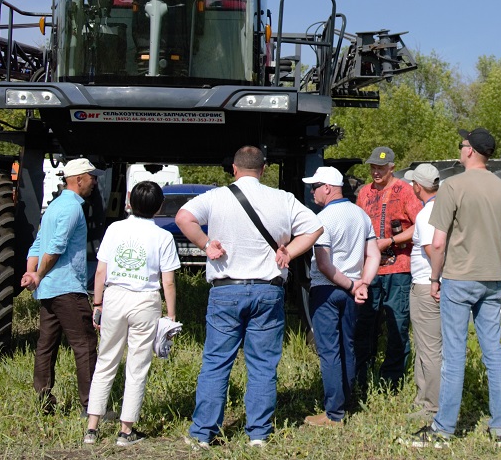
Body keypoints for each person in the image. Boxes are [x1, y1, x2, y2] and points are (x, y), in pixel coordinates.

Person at [175, 146, 323, 447]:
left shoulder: (216, 197)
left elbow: (183, 217)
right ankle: (258, 433)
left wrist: (206, 244)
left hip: (226, 290)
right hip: (267, 290)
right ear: (264, 169)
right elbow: (315, 228)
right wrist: (290, 252)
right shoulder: (282, 199)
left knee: (216, 362)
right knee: (263, 364)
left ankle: (204, 433)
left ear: (234, 169)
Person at [410, 128, 501, 448]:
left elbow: (439, 242)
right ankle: (500, 427)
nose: (460, 149)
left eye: (462, 145)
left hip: (458, 279)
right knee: (494, 353)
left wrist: (434, 278)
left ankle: (444, 429)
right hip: (492, 279)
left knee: (454, 355)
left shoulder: (453, 186)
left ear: (470, 151)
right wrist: (500, 279)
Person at [84, 180, 180, 446]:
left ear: (130, 202)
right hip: (145, 301)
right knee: (137, 366)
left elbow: (101, 271)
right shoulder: (163, 236)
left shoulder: (115, 228)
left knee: (105, 361)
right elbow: (168, 281)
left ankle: (92, 428)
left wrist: (98, 304)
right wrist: (170, 316)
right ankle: (126, 431)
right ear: (159, 206)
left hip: (114, 296)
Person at [301, 166, 380, 427]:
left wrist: (348, 284)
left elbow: (323, 264)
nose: (312, 192)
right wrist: (362, 284)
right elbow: (374, 254)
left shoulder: (322, 219)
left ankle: (334, 412)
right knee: (347, 346)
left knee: (329, 350)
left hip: (327, 289)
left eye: (315, 187)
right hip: (353, 291)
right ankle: (345, 402)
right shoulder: (361, 215)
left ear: (327, 188)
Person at [21, 157, 100, 416]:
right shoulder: (72, 209)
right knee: (85, 344)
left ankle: (44, 402)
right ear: (78, 180)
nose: (95, 182)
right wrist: (39, 274)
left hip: (49, 291)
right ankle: (91, 406)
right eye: (92, 177)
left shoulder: (54, 206)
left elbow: (38, 243)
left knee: (46, 345)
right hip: (67, 287)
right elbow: (55, 248)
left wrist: (32, 273)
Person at [354, 146, 421, 390]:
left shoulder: (405, 191)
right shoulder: (364, 193)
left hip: (398, 268)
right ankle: (361, 375)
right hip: (369, 270)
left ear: (392, 166)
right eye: (373, 167)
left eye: (380, 167)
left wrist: (392, 240)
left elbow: (420, 226)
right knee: (365, 323)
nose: (376, 172)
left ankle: (391, 381)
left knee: (397, 323)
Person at [403, 163, 442, 421]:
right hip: (435, 284)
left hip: (427, 285)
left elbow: (433, 249)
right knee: (428, 346)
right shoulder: (447, 208)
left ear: (417, 186)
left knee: (429, 349)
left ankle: (433, 407)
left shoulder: (427, 213)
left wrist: (436, 278)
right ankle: (423, 397)